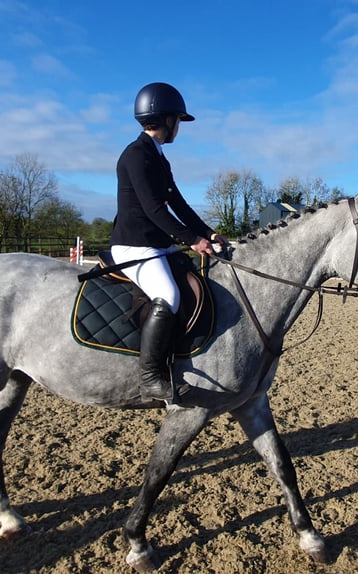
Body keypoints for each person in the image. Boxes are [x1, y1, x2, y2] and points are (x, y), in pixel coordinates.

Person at [110, 82, 229, 402]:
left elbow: (179, 205)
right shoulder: (136, 155)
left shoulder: (158, 157)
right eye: (177, 119)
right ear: (165, 119)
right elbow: (152, 209)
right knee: (169, 294)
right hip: (134, 245)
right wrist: (191, 240)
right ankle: (150, 377)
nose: (179, 126)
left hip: (157, 244)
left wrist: (207, 234)